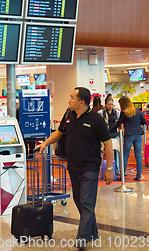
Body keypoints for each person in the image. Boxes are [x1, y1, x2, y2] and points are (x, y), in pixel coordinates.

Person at [36, 87, 113, 250]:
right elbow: (59, 132)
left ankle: (82, 238)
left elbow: (108, 144)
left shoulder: (96, 120)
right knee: (79, 200)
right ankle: (92, 231)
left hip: (90, 167)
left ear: (81, 102)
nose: (69, 100)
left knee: (86, 201)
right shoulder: (69, 115)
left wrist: (110, 168)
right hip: (73, 166)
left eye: (72, 97)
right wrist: (45, 143)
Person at [109, 96, 147, 181]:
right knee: (138, 156)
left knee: (125, 155)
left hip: (129, 134)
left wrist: (108, 132)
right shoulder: (137, 111)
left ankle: (123, 175)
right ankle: (138, 176)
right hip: (138, 134)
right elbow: (144, 121)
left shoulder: (124, 112)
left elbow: (117, 123)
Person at [100, 97, 120, 175]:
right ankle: (102, 169)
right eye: (109, 104)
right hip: (105, 135)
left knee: (116, 152)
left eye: (112, 104)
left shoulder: (116, 112)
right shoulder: (101, 112)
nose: (111, 106)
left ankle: (117, 169)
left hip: (115, 134)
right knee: (104, 152)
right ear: (105, 104)